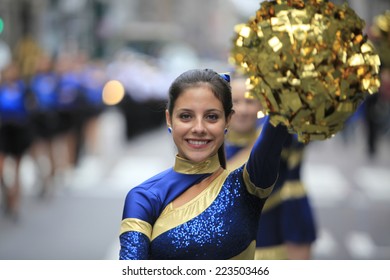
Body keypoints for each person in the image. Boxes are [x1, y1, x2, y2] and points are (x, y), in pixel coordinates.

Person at [119, 68, 289, 260]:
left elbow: (275, 130)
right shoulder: (143, 197)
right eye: (185, 116)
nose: (199, 128)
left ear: (228, 120)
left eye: (211, 117)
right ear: (169, 119)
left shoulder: (246, 185)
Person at [225, 75, 317, 260]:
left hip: (273, 243)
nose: (242, 110)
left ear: (261, 105)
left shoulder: (276, 137)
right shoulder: (209, 145)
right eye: (235, 101)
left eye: (250, 101)